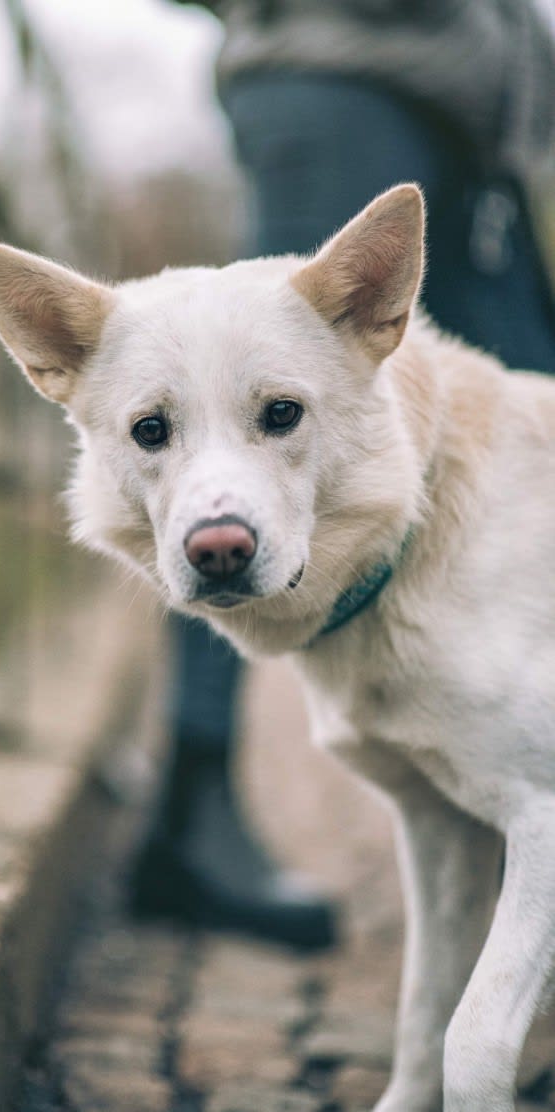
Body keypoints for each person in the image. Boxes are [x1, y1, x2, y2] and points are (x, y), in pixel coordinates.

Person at [130, 0, 555, 949]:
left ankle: (527, 832)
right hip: (337, 79)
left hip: (472, 120)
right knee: (243, 436)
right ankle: (192, 814)